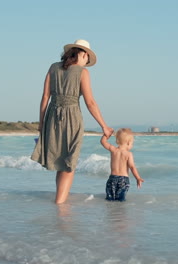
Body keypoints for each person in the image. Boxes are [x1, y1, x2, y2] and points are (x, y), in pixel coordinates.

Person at [31, 39, 114, 204]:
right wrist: (104, 126)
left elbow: (45, 98)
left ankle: (59, 200)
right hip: (72, 118)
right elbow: (90, 103)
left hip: (51, 117)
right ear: (82, 53)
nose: (87, 62)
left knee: (61, 162)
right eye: (87, 58)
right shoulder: (83, 73)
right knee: (69, 163)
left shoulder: (53, 67)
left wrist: (41, 123)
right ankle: (60, 204)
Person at [101, 128, 144, 201]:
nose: (132, 145)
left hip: (112, 179)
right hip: (123, 180)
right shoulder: (128, 154)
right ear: (128, 142)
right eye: (132, 143)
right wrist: (138, 178)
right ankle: (120, 212)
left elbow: (103, 142)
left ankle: (111, 211)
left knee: (110, 199)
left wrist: (106, 134)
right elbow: (132, 167)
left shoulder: (113, 150)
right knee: (121, 200)